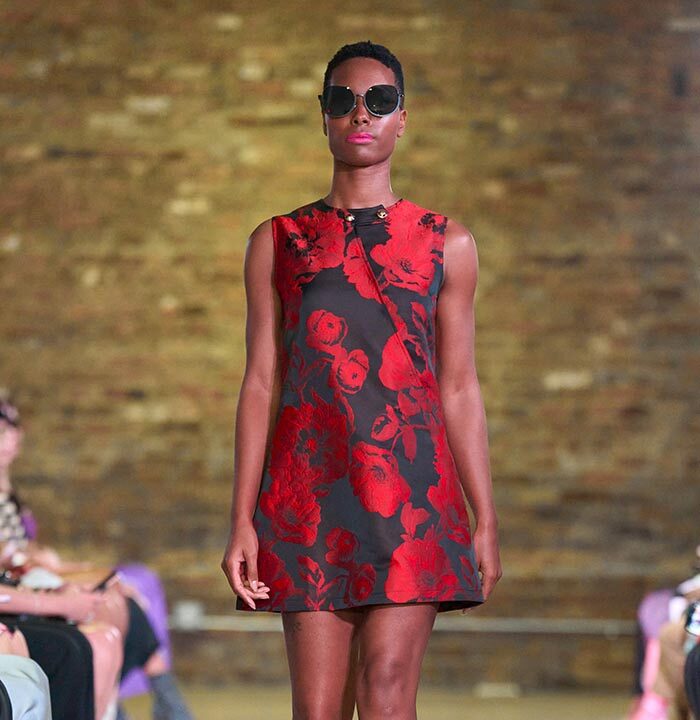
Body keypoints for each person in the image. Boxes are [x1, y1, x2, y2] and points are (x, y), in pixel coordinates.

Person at [221, 40, 502, 718]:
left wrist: (485, 516)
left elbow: (459, 387)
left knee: (387, 690)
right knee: (317, 710)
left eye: (379, 101)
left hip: (412, 496)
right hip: (308, 497)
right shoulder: (278, 240)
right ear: (322, 114)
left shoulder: (447, 243)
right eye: (343, 100)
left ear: (403, 117)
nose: (361, 114)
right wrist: (241, 519)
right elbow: (261, 383)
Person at [0, 395, 194, 720]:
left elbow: (21, 551)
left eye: (12, 430)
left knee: (114, 604)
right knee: (105, 614)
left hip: (23, 576)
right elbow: (14, 557)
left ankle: (132, 700)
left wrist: (65, 568)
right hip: (19, 582)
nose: (12, 439)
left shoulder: (9, 491)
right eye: (5, 432)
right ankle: (148, 699)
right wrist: (51, 584)